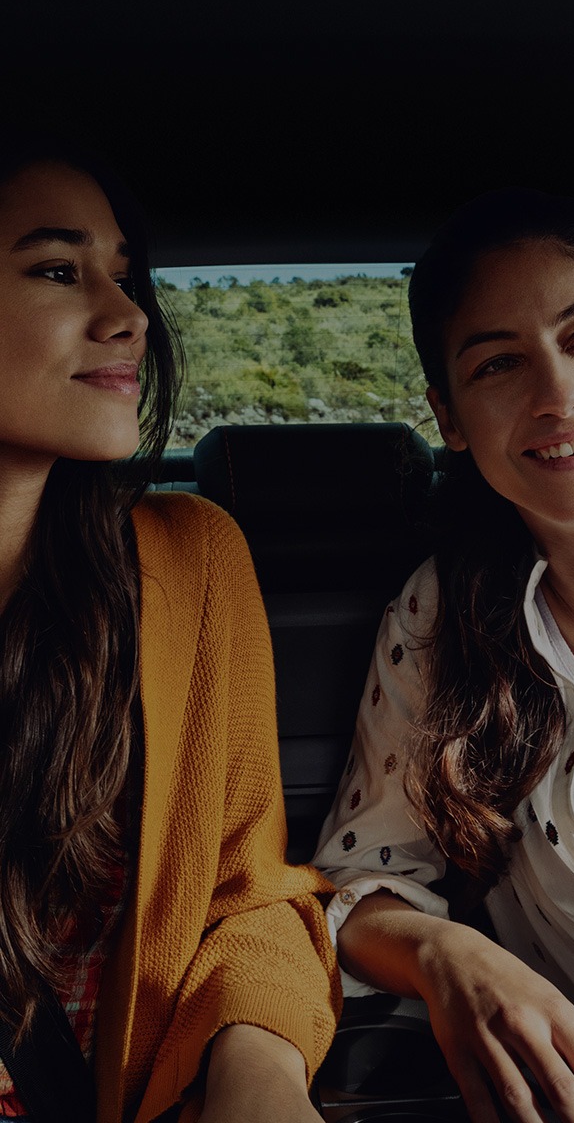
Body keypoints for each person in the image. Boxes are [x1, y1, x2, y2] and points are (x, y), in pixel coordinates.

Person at [0, 133, 341, 1123]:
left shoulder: (188, 561)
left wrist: (260, 1067)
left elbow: (250, 893)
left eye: (126, 275)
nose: (128, 316)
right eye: (61, 271)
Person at [314, 187, 574, 1123]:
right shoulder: (443, 615)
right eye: (499, 363)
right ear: (449, 417)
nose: (557, 392)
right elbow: (358, 881)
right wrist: (448, 954)